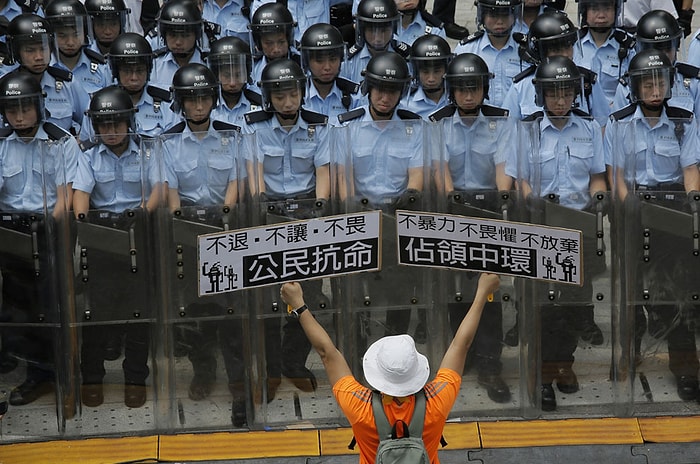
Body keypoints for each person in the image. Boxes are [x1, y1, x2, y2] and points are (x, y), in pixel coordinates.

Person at [279, 272, 501, 464]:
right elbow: (461, 345)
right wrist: (482, 293)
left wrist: (299, 305)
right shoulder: (437, 403)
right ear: (417, 371)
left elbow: (327, 353)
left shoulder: (359, 408)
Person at [506, 56, 608, 410]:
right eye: (554, 94)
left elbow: (597, 175)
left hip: (577, 224)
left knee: (572, 305)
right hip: (539, 227)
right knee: (543, 308)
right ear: (541, 96)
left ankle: (565, 364)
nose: (561, 101)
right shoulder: (527, 130)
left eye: (566, 93)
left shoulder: (589, 128)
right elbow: (517, 181)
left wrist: (599, 196)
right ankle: (542, 374)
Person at [606, 48, 700, 401]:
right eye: (647, 83)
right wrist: (628, 207)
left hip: (672, 211)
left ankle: (686, 367)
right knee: (629, 290)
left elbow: (690, 170)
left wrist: (692, 207)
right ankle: (627, 355)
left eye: (660, 81)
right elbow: (615, 176)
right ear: (634, 86)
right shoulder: (619, 122)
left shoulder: (683, 121)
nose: (654, 89)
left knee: (678, 292)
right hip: (633, 211)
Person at [428, 52, 515, 404]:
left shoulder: (500, 122)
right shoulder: (436, 122)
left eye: (474, 88)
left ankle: (490, 363)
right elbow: (440, 171)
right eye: (462, 89)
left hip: (488, 210)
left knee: (488, 290)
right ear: (451, 90)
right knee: (455, 292)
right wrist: (453, 207)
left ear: (484, 90)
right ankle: (457, 362)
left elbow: (502, 169)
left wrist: (502, 204)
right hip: (452, 209)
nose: (468, 95)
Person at [162, 63, 247, 422]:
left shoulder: (233, 135)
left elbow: (237, 182)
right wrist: (184, 227)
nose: (199, 106)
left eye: (204, 98)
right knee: (197, 311)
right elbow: (170, 192)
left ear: (214, 100)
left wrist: (225, 217)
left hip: (225, 227)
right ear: (181, 103)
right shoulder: (168, 141)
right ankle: (203, 370)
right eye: (191, 100)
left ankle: (239, 382)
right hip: (186, 229)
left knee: (231, 311)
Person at [244, 58, 331, 396]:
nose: (287, 101)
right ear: (269, 97)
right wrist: (263, 211)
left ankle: (294, 361)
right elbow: (254, 176)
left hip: (306, 215)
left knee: (306, 294)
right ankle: (268, 371)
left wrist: (319, 217)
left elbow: (323, 177)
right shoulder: (254, 127)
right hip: (268, 216)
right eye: (279, 96)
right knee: (267, 297)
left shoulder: (317, 127)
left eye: (292, 93)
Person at [73, 86, 160, 408]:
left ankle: (135, 377)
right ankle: (91, 377)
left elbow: (158, 192)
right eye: (102, 125)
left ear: (128, 122)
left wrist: (140, 214)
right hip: (102, 239)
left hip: (139, 235)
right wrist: (87, 222)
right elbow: (80, 197)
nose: (109, 132)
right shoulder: (88, 157)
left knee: (139, 313)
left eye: (116, 124)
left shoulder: (149, 152)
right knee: (98, 314)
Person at [336, 51, 424, 356]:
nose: (386, 97)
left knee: (399, 294)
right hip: (359, 220)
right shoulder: (348, 127)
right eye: (380, 89)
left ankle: (397, 355)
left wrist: (406, 200)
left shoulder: (414, 127)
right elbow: (343, 179)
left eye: (393, 90)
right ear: (368, 89)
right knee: (358, 296)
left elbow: (417, 178)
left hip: (397, 219)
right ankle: (360, 356)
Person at [0, 73, 79, 405]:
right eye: (11, 110)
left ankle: (63, 373)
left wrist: (50, 232)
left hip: (48, 230)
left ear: (39, 107)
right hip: (9, 233)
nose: (19, 117)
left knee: (53, 305)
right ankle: (36, 374)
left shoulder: (62, 142)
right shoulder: (2, 145)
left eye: (25, 108)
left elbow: (65, 198)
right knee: (20, 309)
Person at [5, 13, 89, 134]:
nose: (39, 57)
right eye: (30, 50)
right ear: (16, 52)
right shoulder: (5, 87)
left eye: (43, 49)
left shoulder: (67, 83)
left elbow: (88, 123)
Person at [454, 0, 525, 108]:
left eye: (505, 15)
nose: (500, 21)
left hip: (517, 121)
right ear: (483, 17)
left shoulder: (526, 50)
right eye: (493, 15)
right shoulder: (466, 49)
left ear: (514, 16)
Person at [574, 0, 634, 119]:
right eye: (595, 9)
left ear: (616, 10)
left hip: (619, 117)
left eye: (607, 9)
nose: (601, 15)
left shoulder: (628, 46)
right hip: (580, 118)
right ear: (584, 12)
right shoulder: (573, 44)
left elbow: (635, 86)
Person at [45, 0, 112, 98]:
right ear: (51, 36)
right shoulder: (44, 69)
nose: (70, 42)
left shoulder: (101, 68)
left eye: (76, 34)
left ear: (84, 32)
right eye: (62, 35)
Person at [299, 23, 361, 124]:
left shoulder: (355, 96)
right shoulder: (297, 95)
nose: (327, 67)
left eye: (333, 59)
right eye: (319, 61)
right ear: (307, 61)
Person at [342, 0, 411, 84]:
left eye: (384, 30)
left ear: (393, 29)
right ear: (362, 30)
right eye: (372, 30)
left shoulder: (407, 58)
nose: (378, 38)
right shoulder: (348, 61)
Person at [150, 0, 208, 89]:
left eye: (185, 35)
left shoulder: (209, 64)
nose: (178, 42)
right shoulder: (153, 66)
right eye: (172, 35)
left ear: (196, 35)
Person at [208, 35, 262, 127]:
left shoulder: (259, 102)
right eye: (226, 75)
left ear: (247, 73)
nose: (232, 83)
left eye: (238, 75)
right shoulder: (206, 105)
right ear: (216, 75)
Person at [247, 2, 299, 84]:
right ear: (259, 44)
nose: (276, 49)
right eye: (269, 43)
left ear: (288, 39)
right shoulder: (251, 71)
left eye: (281, 42)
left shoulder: (302, 65)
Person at [404, 34, 451, 119]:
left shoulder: (458, 99)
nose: (431, 79)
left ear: (446, 70)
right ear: (416, 72)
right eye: (425, 72)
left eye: (437, 71)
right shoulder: (404, 105)